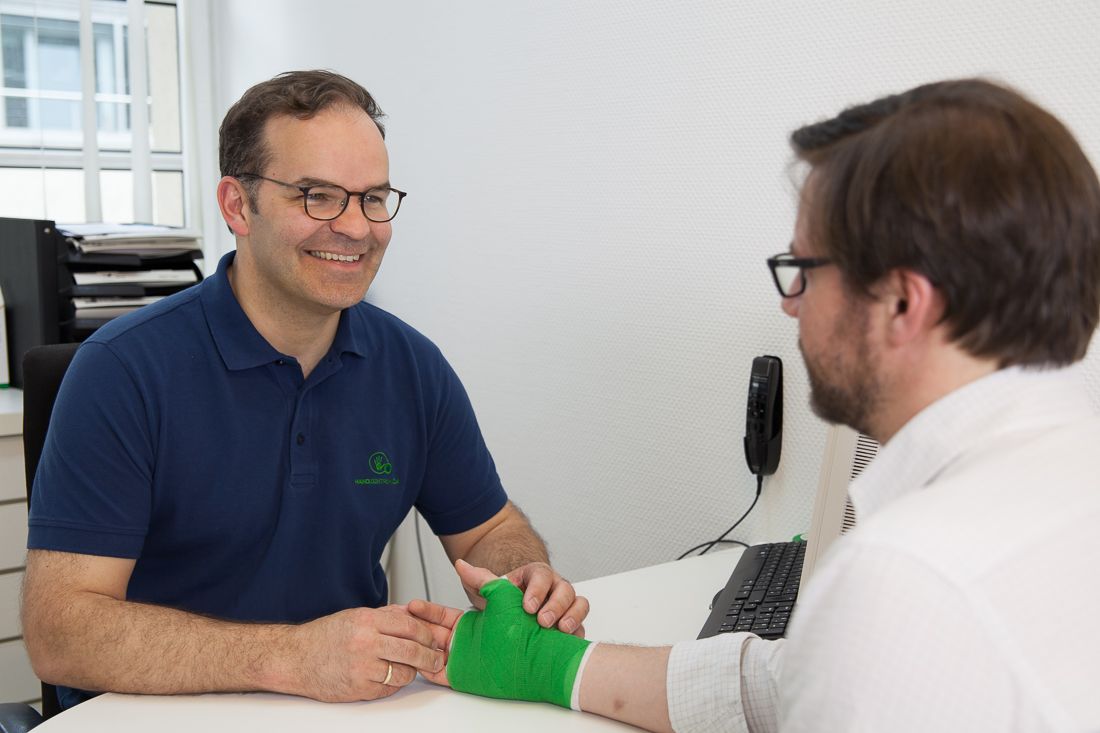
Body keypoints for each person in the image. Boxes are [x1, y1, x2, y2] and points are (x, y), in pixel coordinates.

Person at [408, 78, 1100, 732]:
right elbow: (793, 680)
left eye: (803, 269)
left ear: (900, 302)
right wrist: (555, 667)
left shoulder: (911, 579)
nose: (788, 302)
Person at [21, 70, 588, 710]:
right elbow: (61, 633)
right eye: (318, 195)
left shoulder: (412, 366)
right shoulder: (122, 371)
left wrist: (523, 577)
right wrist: (293, 656)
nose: (355, 226)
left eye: (373, 197)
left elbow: (492, 527)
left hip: (344, 708)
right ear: (238, 206)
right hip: (150, 714)